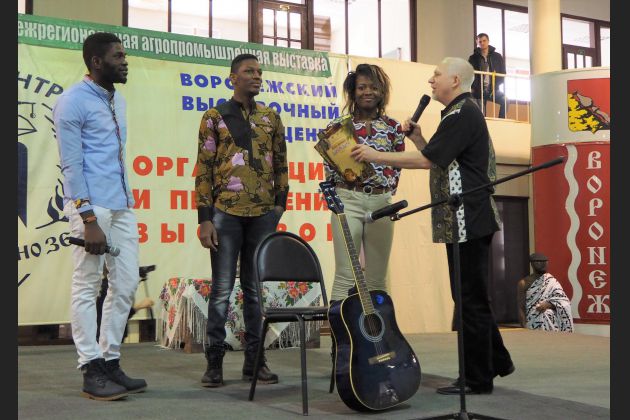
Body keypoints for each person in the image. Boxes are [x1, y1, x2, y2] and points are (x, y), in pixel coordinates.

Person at [350, 57, 514, 395]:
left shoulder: (462, 113)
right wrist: (420, 139)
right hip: (462, 219)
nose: (431, 80)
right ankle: (497, 361)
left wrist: (373, 155)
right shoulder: (455, 114)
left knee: (468, 299)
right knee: (470, 296)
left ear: (455, 80)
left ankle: (477, 378)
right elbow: (439, 159)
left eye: (437, 75)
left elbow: (426, 161)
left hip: (469, 218)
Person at [53, 32, 146, 401]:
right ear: (96, 62)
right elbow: (71, 166)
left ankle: (109, 359)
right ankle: (90, 366)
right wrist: (88, 219)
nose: (125, 62)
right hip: (91, 207)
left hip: (121, 203)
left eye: (124, 55)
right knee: (87, 284)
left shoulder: (117, 99)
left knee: (126, 284)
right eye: (118, 56)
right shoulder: (72, 101)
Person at [195, 53, 289, 388]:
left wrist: (279, 206)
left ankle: (255, 362)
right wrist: (205, 218)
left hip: (263, 215)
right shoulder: (215, 116)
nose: (257, 76)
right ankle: (214, 364)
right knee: (221, 290)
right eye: (249, 71)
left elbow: (281, 163)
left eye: (260, 72)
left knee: (254, 291)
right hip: (225, 214)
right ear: (233, 78)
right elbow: (204, 169)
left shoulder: (271, 117)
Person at [324, 63, 406, 303]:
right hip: (348, 201)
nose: (367, 92)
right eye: (361, 87)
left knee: (377, 278)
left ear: (382, 92)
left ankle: (377, 327)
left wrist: (386, 190)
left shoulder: (393, 127)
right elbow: (329, 168)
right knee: (345, 275)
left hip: (382, 203)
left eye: (373, 87)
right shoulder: (338, 128)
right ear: (353, 92)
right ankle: (340, 327)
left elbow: (399, 162)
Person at [517, 253, 574, 332]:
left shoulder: (552, 281)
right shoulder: (523, 283)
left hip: (552, 325)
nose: (543, 264)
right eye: (539, 261)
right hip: (532, 324)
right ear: (532, 264)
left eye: (545, 262)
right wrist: (524, 327)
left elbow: (564, 302)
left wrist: (549, 304)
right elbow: (521, 307)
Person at [468, 33, 507, 118]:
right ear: (477, 42)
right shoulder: (473, 58)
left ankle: (501, 121)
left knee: (505, 101)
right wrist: (473, 87)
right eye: (480, 41)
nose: (482, 43)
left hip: (493, 89)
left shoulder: (497, 57)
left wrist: (497, 84)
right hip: (479, 90)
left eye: (484, 41)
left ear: (488, 41)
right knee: (481, 114)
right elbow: (469, 73)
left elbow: (503, 72)